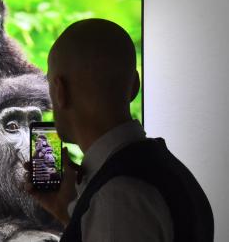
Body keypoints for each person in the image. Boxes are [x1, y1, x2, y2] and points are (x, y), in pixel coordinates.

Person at [26, 19, 214, 241]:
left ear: (59, 91)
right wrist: (70, 214)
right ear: (135, 86)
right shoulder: (169, 169)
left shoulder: (116, 196)